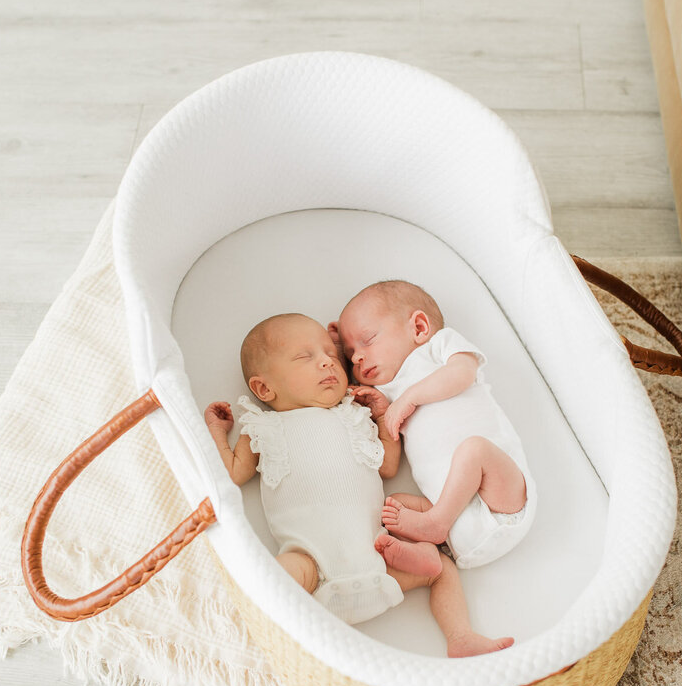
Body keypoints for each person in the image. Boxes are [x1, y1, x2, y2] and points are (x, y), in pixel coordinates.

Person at [205, 312, 514, 655]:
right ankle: (265, 640)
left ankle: (460, 636)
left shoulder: (352, 416)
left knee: (441, 568)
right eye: (306, 357)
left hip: (380, 561)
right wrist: (219, 433)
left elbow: (387, 464)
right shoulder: (263, 427)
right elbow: (233, 473)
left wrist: (383, 418)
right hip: (311, 565)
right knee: (272, 578)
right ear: (265, 388)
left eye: (330, 355)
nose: (327, 363)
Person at [331, 279, 537, 575]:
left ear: (418, 328)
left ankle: (435, 524)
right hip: (458, 526)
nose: (358, 357)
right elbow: (390, 454)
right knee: (392, 505)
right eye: (351, 356)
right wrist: (381, 411)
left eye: (368, 339)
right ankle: (429, 553)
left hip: (501, 498)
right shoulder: (388, 392)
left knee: (474, 450)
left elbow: (464, 372)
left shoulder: (437, 348)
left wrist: (410, 398)